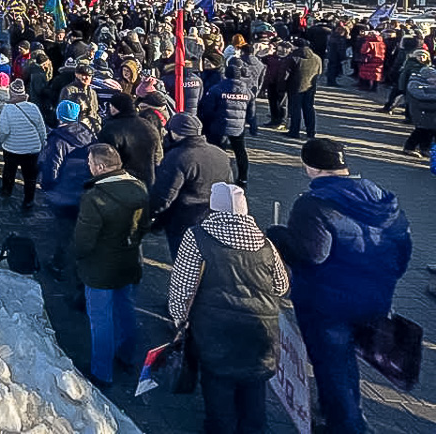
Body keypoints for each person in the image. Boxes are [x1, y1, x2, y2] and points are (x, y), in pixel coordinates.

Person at [267, 139, 412, 434]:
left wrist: (278, 235)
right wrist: (383, 280)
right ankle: (336, 412)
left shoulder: (313, 204)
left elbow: (311, 254)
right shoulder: (381, 197)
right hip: (375, 299)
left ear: (310, 166)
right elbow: (403, 248)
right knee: (345, 366)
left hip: (328, 304)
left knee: (334, 369)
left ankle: (347, 425)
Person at [169, 183, 289, 434]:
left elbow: (182, 287)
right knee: (254, 388)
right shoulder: (265, 243)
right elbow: (281, 286)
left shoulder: (197, 237)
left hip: (215, 332)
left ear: (214, 207)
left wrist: (180, 321)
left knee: (218, 391)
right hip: (260, 331)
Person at [74, 143, 148, 389]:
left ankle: (102, 372)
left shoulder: (95, 198)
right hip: (129, 262)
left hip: (100, 268)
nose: (88, 166)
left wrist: (78, 257)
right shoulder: (139, 188)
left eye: (90, 162)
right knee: (126, 309)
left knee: (101, 319)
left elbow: (84, 240)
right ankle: (126, 356)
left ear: (101, 167)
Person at [149, 113, 232, 260]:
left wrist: (150, 215)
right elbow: (229, 186)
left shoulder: (178, 156)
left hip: (183, 221)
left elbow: (164, 195)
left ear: (175, 132)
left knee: (184, 263)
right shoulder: (220, 154)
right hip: (213, 217)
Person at [41, 99, 97, 302]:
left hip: (64, 194)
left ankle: (60, 265)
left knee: (64, 233)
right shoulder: (88, 134)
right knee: (81, 231)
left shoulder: (58, 139)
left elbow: (52, 167)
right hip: (85, 191)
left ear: (59, 116)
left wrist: (48, 185)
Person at [199, 60, 257, 187]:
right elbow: (251, 112)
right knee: (240, 152)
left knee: (218, 153)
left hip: (219, 127)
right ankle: (242, 179)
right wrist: (253, 126)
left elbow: (208, 109)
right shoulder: (247, 91)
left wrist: (206, 124)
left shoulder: (217, 89)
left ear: (226, 74)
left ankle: (217, 178)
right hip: (238, 128)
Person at [0, 78, 46, 213]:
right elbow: (41, 128)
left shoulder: (7, 109)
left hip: (12, 147)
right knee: (30, 176)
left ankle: (7, 191)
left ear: (11, 93)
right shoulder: (34, 107)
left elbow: (3, 130)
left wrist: (0, 139)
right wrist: (43, 142)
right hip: (32, 148)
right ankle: (28, 200)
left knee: (9, 171)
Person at [98, 92, 161, 190]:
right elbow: (158, 157)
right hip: (148, 183)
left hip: (121, 185)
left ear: (115, 107)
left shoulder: (110, 129)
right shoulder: (148, 126)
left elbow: (105, 160)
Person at [285, 36, 322, 139]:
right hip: (310, 87)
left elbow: (286, 73)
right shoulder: (317, 58)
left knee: (295, 109)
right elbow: (319, 72)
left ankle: (294, 131)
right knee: (309, 108)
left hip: (295, 87)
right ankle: (311, 132)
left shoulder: (293, 58)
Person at [402, 65, 436, 157]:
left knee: (430, 130)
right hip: (420, 111)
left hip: (430, 111)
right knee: (420, 130)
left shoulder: (430, 84)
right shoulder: (415, 83)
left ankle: (425, 148)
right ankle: (409, 148)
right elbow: (420, 95)